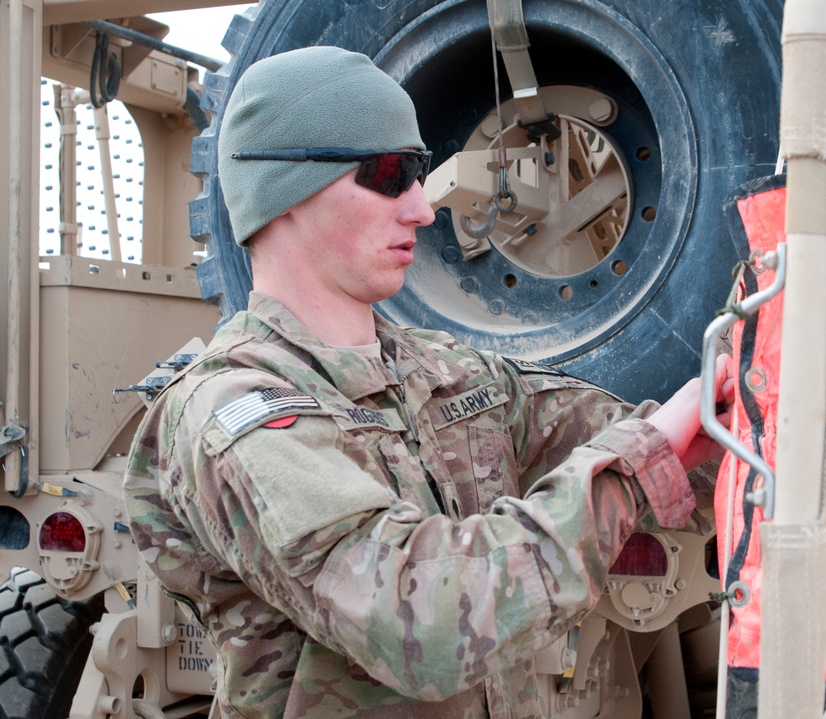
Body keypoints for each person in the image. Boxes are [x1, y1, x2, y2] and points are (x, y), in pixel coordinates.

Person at [124, 46, 733, 719]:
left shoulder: (447, 373)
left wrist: (745, 414)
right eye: (391, 173)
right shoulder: (236, 409)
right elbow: (422, 623)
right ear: (285, 187)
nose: (423, 207)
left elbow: (659, 441)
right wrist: (641, 460)